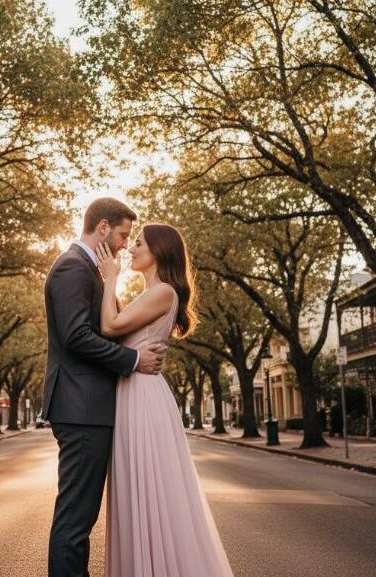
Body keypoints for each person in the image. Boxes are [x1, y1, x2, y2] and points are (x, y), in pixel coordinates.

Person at [96, 223, 235, 577]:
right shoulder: (152, 294)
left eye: (138, 243)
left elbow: (110, 328)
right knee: (138, 494)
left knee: (150, 493)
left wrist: (110, 276)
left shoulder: (163, 292)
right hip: (135, 392)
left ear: (158, 250)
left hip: (142, 398)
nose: (131, 249)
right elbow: (121, 332)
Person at [43, 198, 167, 577]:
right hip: (81, 409)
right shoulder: (72, 268)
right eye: (123, 235)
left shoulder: (89, 269)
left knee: (80, 518)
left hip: (90, 408)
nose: (124, 245)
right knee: (75, 520)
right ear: (102, 228)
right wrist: (132, 360)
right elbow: (76, 335)